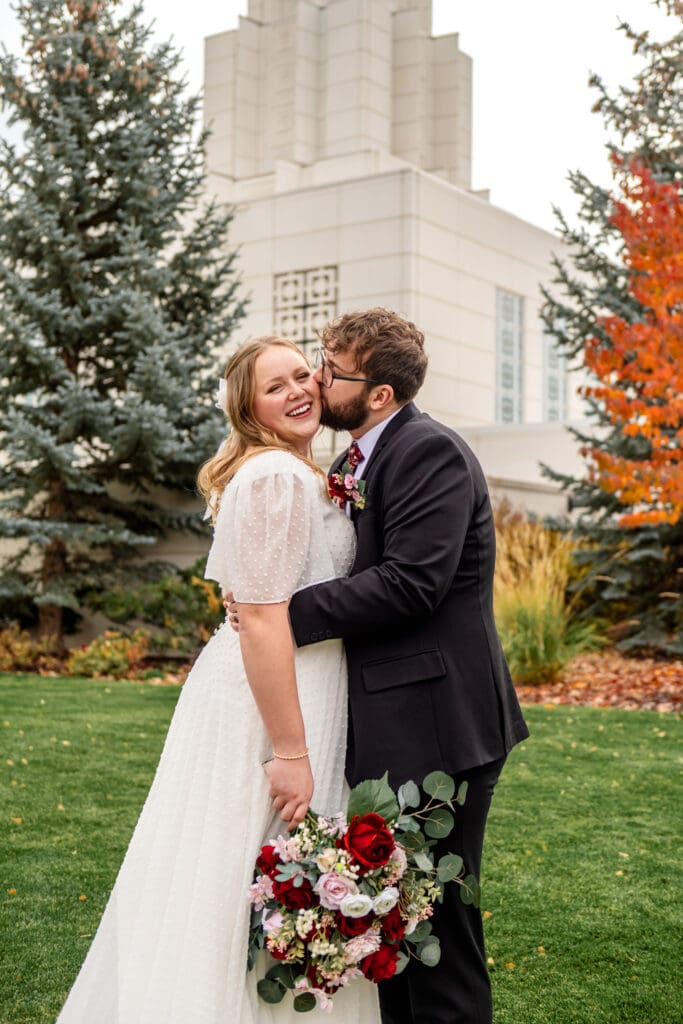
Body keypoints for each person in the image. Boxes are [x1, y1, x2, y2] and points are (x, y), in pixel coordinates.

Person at [55, 337, 380, 1023]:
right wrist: (289, 752)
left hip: (301, 686)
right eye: (274, 386)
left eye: (302, 375)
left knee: (266, 879)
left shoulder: (293, 472)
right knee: (232, 878)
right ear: (248, 408)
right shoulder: (273, 478)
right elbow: (261, 620)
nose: (297, 391)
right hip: (269, 704)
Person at [283, 308, 530, 1024]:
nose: (317, 378)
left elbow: (410, 582)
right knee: (391, 929)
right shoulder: (356, 458)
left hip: (438, 725)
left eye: (331, 370)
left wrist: (283, 614)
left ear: (379, 395)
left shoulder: (428, 452)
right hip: (391, 721)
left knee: (437, 932)